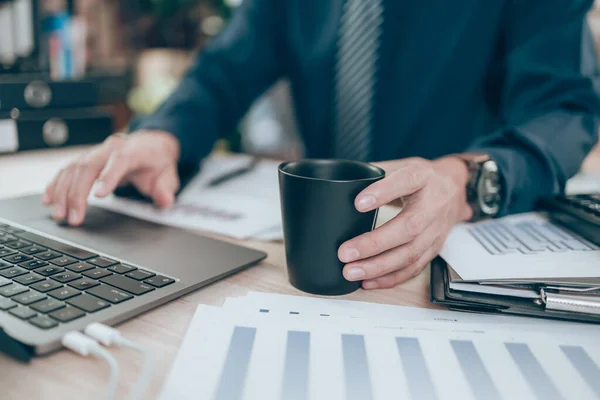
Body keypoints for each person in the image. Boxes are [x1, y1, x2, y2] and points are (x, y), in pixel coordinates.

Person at [44, 0, 600, 290]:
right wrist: (162, 137)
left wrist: (463, 182)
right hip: (321, 262)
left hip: (457, 253)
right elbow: (224, 72)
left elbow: (564, 109)